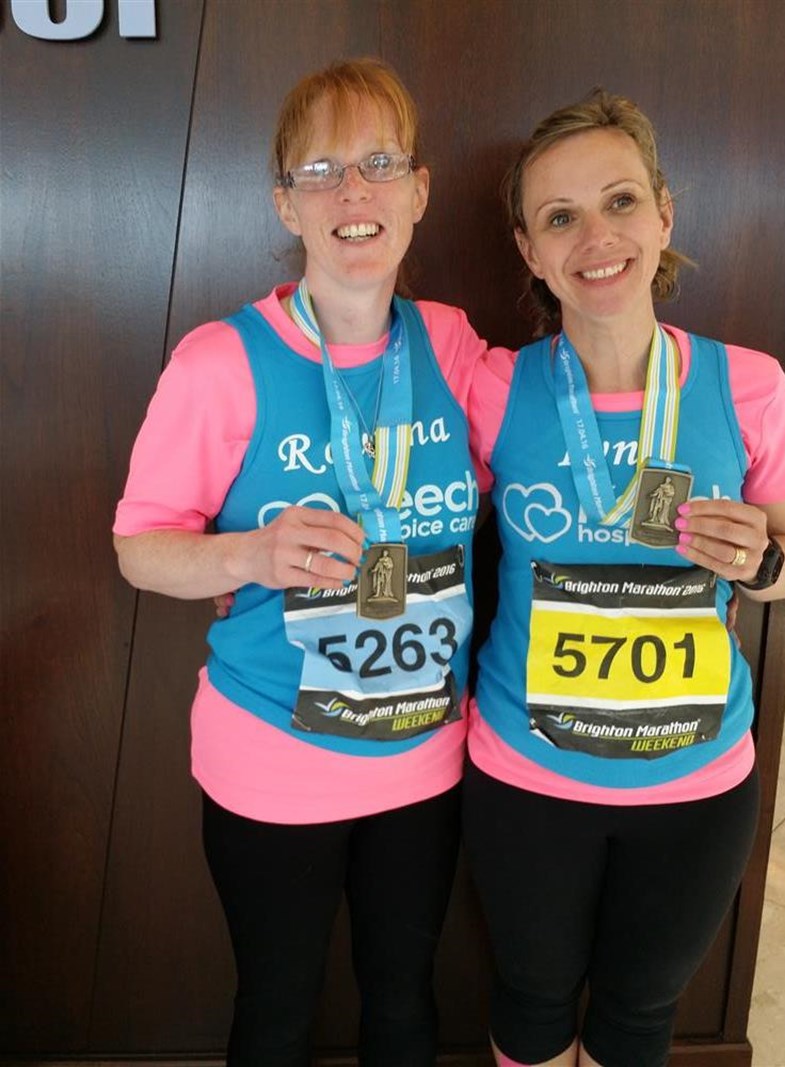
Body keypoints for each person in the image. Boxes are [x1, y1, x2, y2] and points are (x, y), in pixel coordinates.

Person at [113, 58, 488, 1067]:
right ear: (286, 202)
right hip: (271, 753)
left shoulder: (452, 344)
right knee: (277, 1010)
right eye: (321, 169)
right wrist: (250, 552)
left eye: (379, 163)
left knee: (403, 1003)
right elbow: (139, 549)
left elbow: (542, 458)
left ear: (418, 190)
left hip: (422, 752)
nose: (353, 191)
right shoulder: (218, 361)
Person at [463, 89, 785, 1067]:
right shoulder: (493, 386)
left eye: (618, 201)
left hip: (695, 780)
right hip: (528, 772)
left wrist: (766, 562)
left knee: (639, 1017)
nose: (595, 238)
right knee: (530, 1003)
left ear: (663, 214)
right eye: (559, 217)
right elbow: (416, 519)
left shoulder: (749, 385)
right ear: (529, 251)